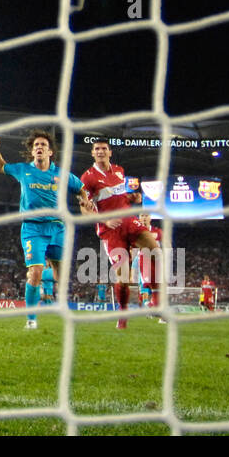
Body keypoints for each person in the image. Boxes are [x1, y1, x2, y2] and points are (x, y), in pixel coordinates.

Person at [0, 129, 94, 330]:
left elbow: (80, 188)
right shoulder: (22, 170)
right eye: (36, 145)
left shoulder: (60, 175)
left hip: (57, 228)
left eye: (43, 145)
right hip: (32, 228)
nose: (39, 148)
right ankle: (31, 319)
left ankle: (57, 304)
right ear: (32, 151)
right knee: (36, 272)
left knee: (60, 275)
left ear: (50, 152)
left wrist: (84, 200)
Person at [80, 139, 160, 330]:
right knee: (123, 277)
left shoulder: (119, 171)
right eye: (97, 149)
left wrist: (132, 198)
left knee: (155, 250)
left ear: (110, 152)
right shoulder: (87, 178)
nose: (100, 151)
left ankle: (156, 303)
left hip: (128, 220)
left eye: (104, 149)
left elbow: (120, 198)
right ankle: (123, 315)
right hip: (110, 229)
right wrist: (104, 221)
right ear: (92, 153)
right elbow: (84, 209)